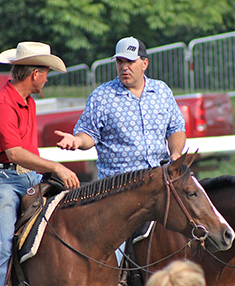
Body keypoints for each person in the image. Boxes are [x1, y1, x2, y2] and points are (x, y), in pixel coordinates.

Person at [55, 36, 186, 263]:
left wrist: (175, 153)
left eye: (130, 62)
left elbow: (176, 129)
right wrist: (77, 141)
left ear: (144, 63)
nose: (124, 67)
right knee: (109, 253)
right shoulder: (103, 96)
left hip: (158, 181)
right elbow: (88, 135)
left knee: (193, 217)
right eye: (120, 62)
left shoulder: (162, 91)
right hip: (118, 188)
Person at [0, 41, 80, 286]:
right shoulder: (3, 104)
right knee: (1, 248)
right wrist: (55, 166)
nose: (46, 79)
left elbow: (24, 153)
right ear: (35, 74)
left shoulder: (27, 101)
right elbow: (14, 153)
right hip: (0, 181)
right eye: (46, 73)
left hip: (27, 177)